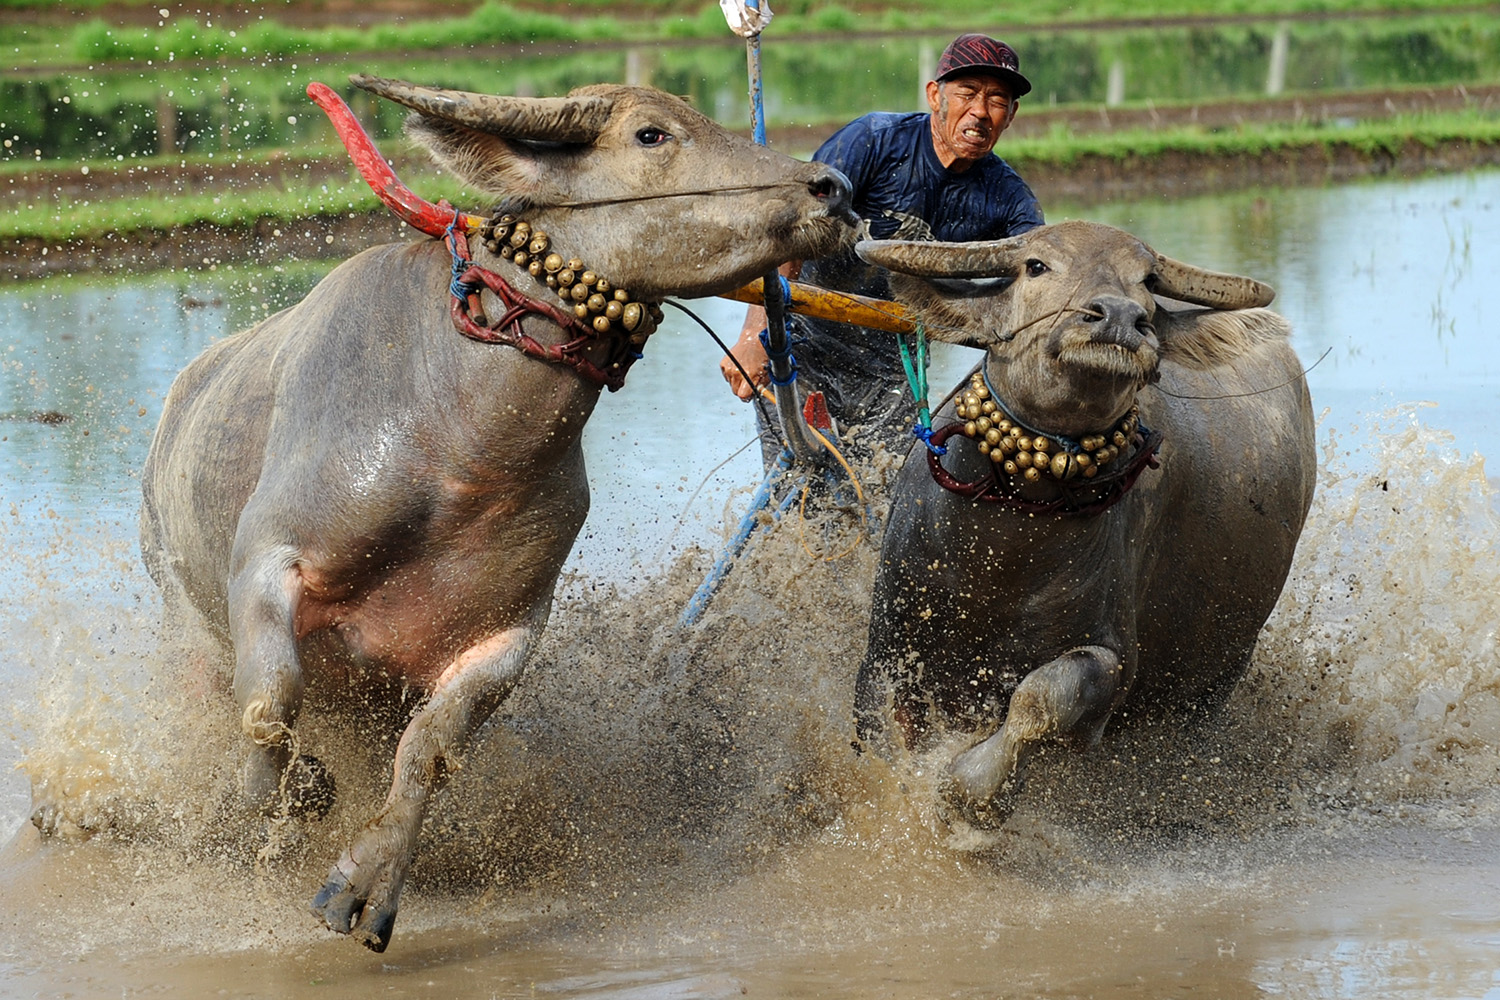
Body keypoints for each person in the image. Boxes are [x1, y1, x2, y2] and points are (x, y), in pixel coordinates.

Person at [720, 33, 1044, 464]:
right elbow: (792, 233)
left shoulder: (1008, 199)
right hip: (806, 348)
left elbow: (1040, 281)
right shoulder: (874, 141)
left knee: (881, 488)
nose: (980, 111)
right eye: (967, 93)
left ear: (1012, 114)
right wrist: (756, 337)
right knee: (797, 482)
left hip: (896, 369)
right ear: (935, 95)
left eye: (997, 100)